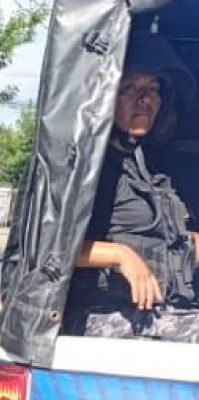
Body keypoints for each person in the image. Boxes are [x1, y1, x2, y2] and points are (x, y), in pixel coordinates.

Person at [64, 32, 199, 341]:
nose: (145, 99)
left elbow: (171, 240)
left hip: (167, 310)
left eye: (153, 89)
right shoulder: (85, 170)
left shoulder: (152, 169)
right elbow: (51, 248)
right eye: (131, 88)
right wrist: (120, 255)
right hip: (104, 314)